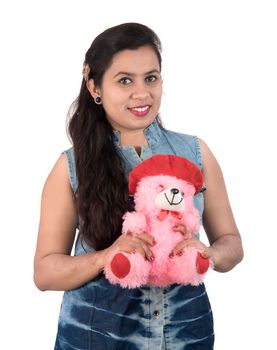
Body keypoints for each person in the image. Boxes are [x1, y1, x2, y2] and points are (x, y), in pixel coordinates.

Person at [34, 22, 244, 350]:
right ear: (95, 88)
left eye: (151, 78)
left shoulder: (195, 153)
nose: (142, 93)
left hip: (185, 336)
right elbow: (45, 272)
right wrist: (105, 257)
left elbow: (232, 244)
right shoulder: (71, 165)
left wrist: (209, 253)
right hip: (97, 337)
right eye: (124, 81)